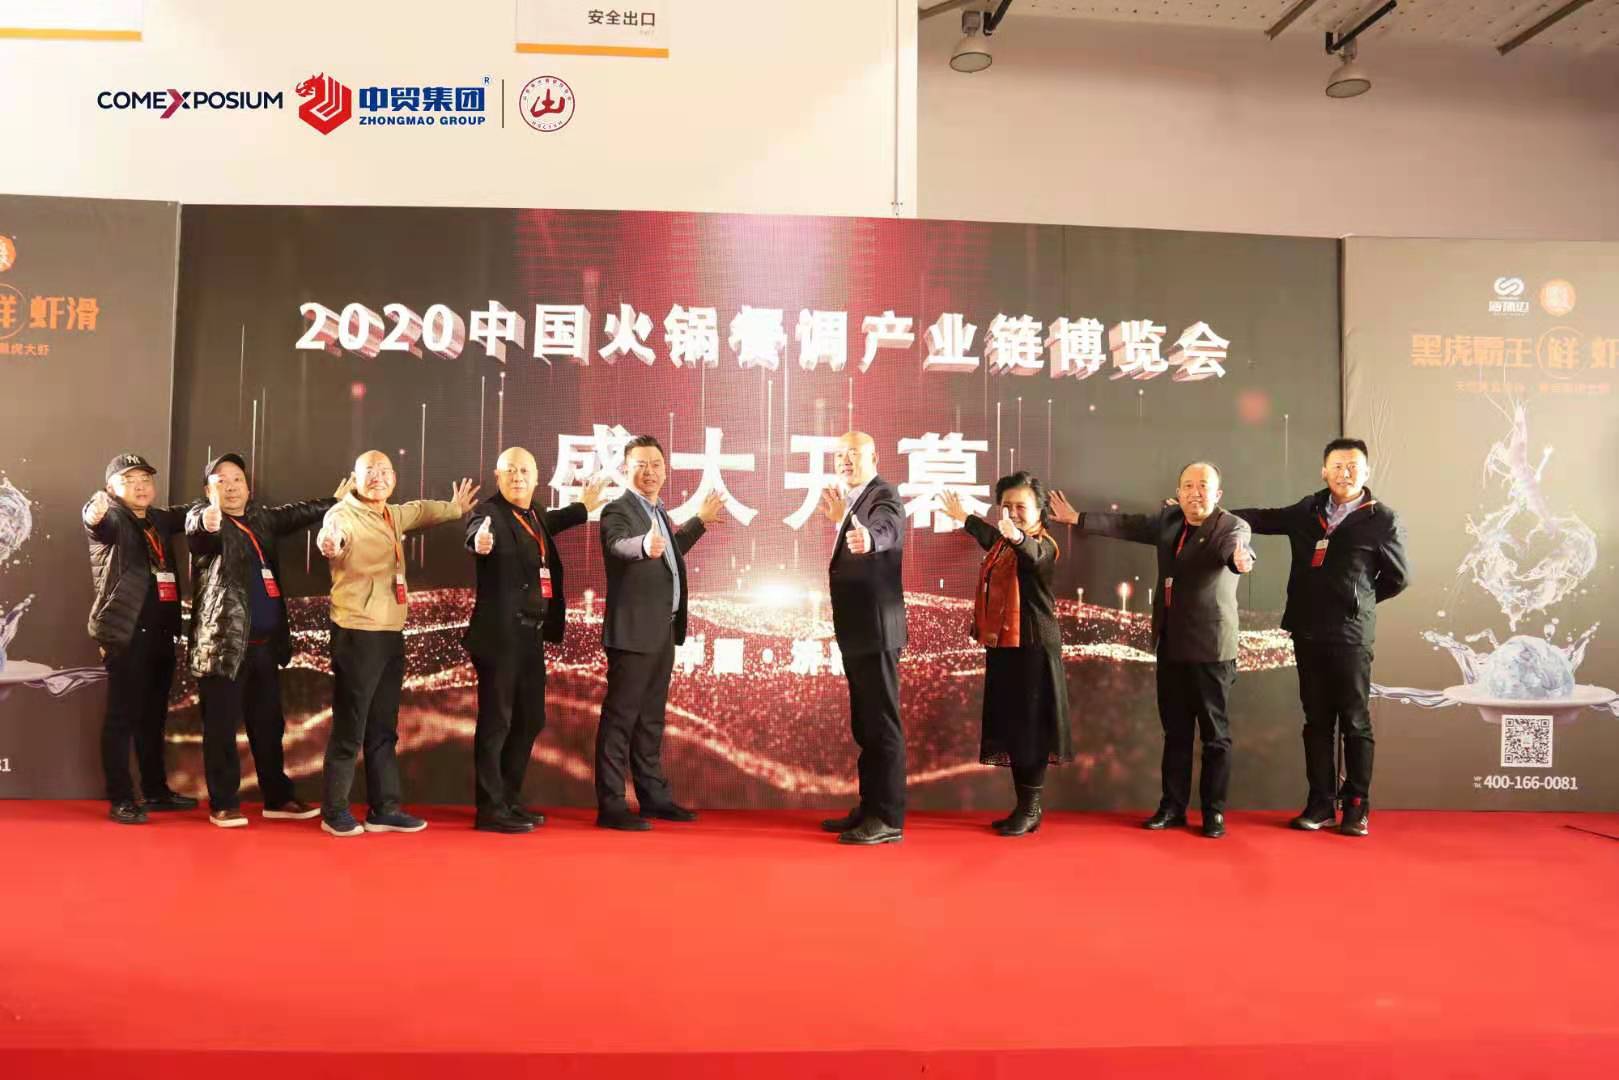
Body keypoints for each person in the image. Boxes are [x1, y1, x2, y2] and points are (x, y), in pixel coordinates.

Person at [1049, 463, 1254, 838]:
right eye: (1188, 485)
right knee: (1175, 733)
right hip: (1171, 642)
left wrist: (1240, 561)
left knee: (1215, 736)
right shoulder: (1170, 520)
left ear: (1218, 494)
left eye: (1203, 486)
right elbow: (1128, 525)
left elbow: (1237, 552)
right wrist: (1077, 518)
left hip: (1211, 648)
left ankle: (1214, 813)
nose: (1195, 492)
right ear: (1178, 491)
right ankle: (1172, 807)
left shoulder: (1232, 527)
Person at [1230, 438, 1409, 837]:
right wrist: (1212, 512)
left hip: (1351, 634)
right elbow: (1262, 518)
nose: (1346, 473)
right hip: (1308, 629)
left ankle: (1357, 805)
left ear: (1366, 472)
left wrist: (1359, 601)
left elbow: (1398, 578)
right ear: (1324, 471)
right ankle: (1321, 803)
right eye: (1338, 465)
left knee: (1355, 720)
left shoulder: (1382, 519)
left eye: (1354, 466)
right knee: (1316, 721)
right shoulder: (1307, 510)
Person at [314, 451, 479, 837]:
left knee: (383, 728)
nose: (378, 477)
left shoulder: (392, 514)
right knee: (350, 728)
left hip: (390, 632)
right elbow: (332, 536)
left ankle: (384, 809)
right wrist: (330, 543)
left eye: (385, 471)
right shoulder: (342, 514)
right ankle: (334, 811)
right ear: (355, 478)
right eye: (369, 471)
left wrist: (454, 509)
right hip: (358, 633)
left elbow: (421, 511)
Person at [186, 453, 348, 828]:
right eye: (221, 480)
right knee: (221, 729)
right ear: (208, 490)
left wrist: (333, 502)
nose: (231, 487)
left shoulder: (260, 518)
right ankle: (224, 803)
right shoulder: (205, 518)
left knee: (268, 727)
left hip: (263, 647)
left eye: (237, 480)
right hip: (223, 648)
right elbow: (198, 532)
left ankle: (277, 797)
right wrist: (207, 520)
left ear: (249, 487)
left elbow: (294, 514)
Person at [463, 447, 608, 834]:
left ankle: (508, 799)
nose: (517, 477)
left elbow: (556, 520)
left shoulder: (536, 513)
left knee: (530, 719)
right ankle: (490, 809)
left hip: (530, 636)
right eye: (510, 471)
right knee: (496, 722)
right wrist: (479, 542)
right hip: (499, 637)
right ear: (498, 476)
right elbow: (476, 533)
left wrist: (583, 507)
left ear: (537, 476)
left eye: (524, 471)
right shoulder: (489, 514)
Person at [595, 436, 723, 831]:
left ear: (665, 470)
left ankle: (653, 798)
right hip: (632, 634)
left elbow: (668, 553)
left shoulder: (658, 511)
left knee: (650, 720)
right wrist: (643, 545)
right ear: (626, 469)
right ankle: (612, 805)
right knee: (620, 720)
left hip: (661, 632)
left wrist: (699, 522)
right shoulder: (618, 509)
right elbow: (619, 545)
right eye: (640, 465)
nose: (649, 472)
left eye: (655, 465)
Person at [940, 473, 1072, 836]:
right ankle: (1023, 808)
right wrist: (964, 517)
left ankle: (1031, 809)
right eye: (1007, 506)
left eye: (1021, 507)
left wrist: (1017, 537)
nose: (1013, 513)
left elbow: (1030, 554)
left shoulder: (1043, 547)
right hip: (1005, 646)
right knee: (1014, 726)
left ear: (1040, 511)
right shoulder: (1002, 545)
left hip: (1034, 650)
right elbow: (990, 536)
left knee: (1032, 729)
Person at [82, 453, 200, 824]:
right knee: (122, 718)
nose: (140, 486)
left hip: (162, 634)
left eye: (146, 479)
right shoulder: (114, 518)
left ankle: (155, 791)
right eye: (129, 480)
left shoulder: (158, 519)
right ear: (110, 488)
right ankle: (121, 798)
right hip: (126, 634)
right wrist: (93, 515)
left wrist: (219, 493)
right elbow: (98, 524)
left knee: (153, 717)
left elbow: (190, 512)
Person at [818, 431, 908, 846]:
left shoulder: (883, 494)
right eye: (840, 455)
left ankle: (887, 818)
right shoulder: (855, 500)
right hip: (860, 631)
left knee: (882, 724)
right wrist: (847, 522)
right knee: (866, 725)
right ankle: (871, 807)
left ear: (874, 457)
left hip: (876, 629)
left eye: (853, 453)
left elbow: (886, 528)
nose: (845, 460)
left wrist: (867, 537)